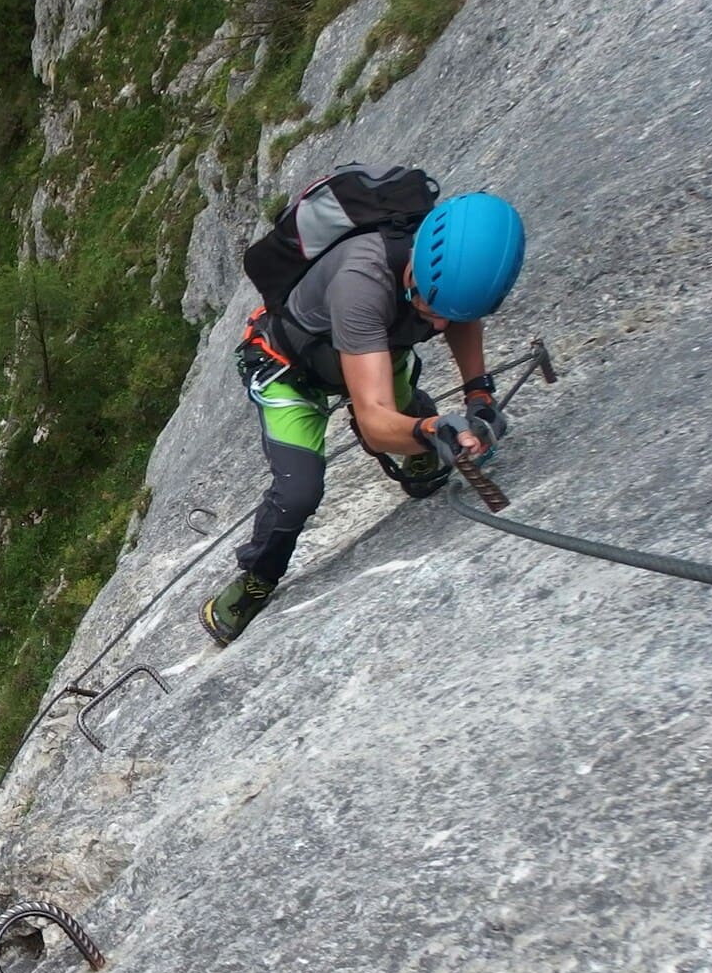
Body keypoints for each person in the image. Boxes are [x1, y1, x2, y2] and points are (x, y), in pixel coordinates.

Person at [200, 189, 526, 646]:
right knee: (298, 490)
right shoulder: (362, 280)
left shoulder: (447, 273)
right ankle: (256, 579)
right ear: (415, 270)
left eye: (446, 315)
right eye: (430, 307)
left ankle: (419, 450)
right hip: (291, 371)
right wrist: (431, 432)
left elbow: (460, 316)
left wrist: (479, 394)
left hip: (376, 346)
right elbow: (375, 422)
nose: (436, 327)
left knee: (402, 406)